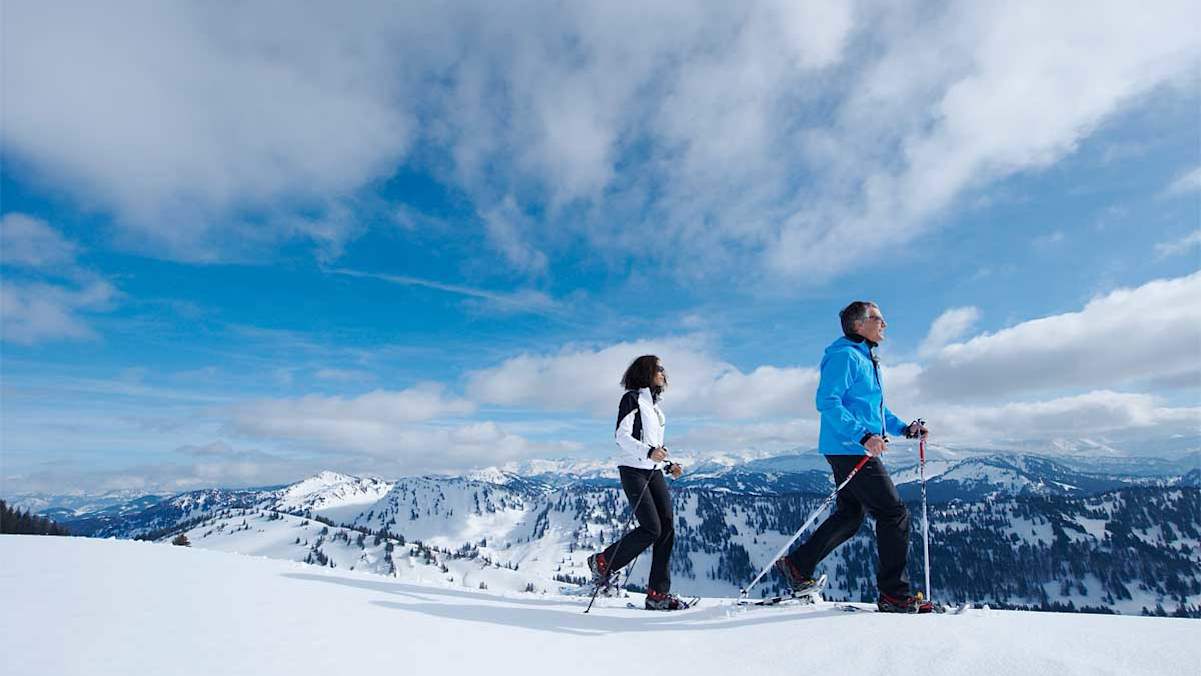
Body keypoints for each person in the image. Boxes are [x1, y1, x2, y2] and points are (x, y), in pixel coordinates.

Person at [775, 301, 932, 613]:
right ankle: (893, 594)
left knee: (850, 515)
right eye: (879, 319)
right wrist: (862, 435)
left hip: (849, 446)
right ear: (860, 325)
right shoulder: (845, 356)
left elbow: (875, 409)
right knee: (893, 514)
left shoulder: (865, 358)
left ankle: (797, 565)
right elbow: (827, 401)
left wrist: (905, 429)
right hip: (849, 447)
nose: (885, 324)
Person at [587, 355, 689, 610]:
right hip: (633, 470)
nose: (664, 373)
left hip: (652, 470)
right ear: (646, 372)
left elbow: (654, 447)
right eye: (659, 369)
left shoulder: (655, 407)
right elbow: (621, 436)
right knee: (651, 529)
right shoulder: (632, 399)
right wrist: (648, 454)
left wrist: (667, 464)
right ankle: (603, 562)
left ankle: (657, 595)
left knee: (666, 528)